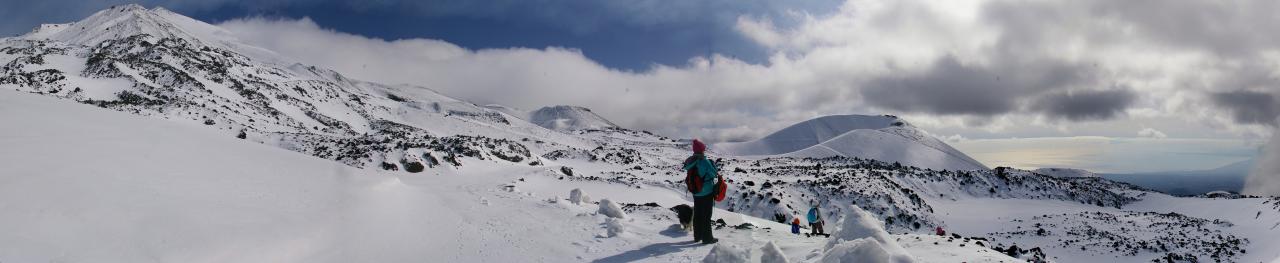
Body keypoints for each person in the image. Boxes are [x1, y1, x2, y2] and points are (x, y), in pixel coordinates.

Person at [683, 139, 719, 244]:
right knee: (706, 215)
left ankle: (697, 236)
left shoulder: (690, 161)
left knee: (698, 214)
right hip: (706, 191)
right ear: (702, 150)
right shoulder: (705, 161)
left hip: (695, 192)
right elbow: (713, 174)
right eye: (703, 149)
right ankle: (707, 238)